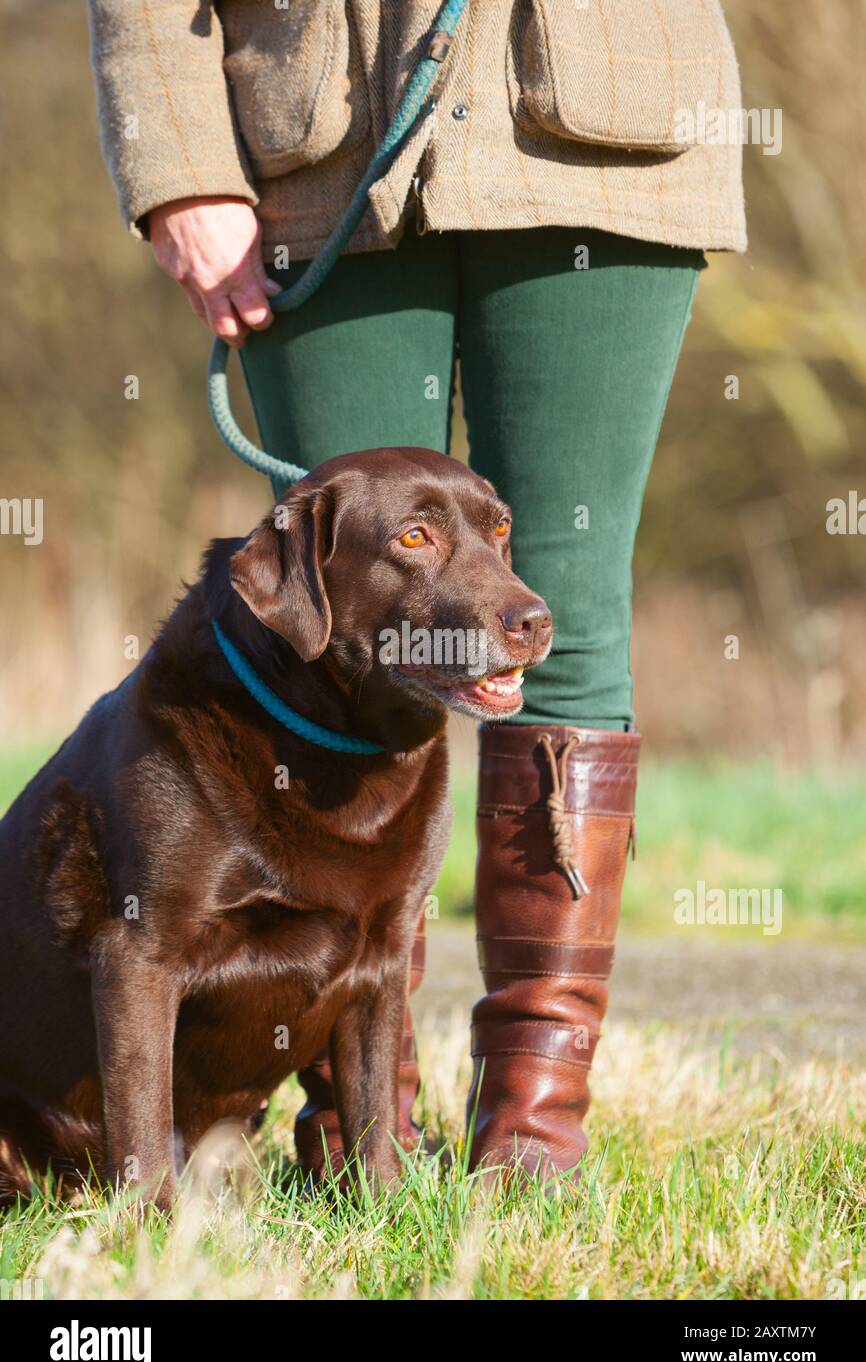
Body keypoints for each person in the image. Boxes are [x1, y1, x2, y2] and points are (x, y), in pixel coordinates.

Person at [87, 0, 745, 1179]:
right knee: (336, 641)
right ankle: (358, 1131)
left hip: (608, 122)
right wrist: (176, 154)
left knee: (562, 618)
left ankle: (529, 1132)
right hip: (313, 134)